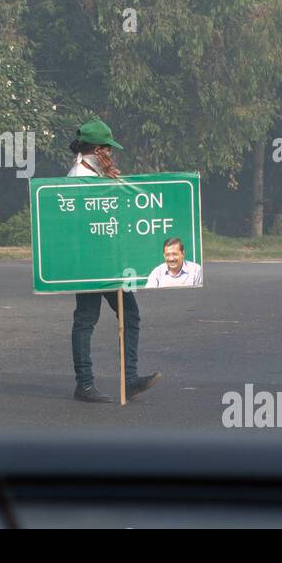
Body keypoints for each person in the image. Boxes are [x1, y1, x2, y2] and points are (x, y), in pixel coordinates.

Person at [65, 119, 160, 404]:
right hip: (91, 261)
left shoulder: (98, 171)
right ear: (97, 149)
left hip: (108, 260)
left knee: (127, 315)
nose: (112, 153)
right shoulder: (78, 176)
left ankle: (128, 380)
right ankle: (85, 385)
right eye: (108, 148)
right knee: (86, 319)